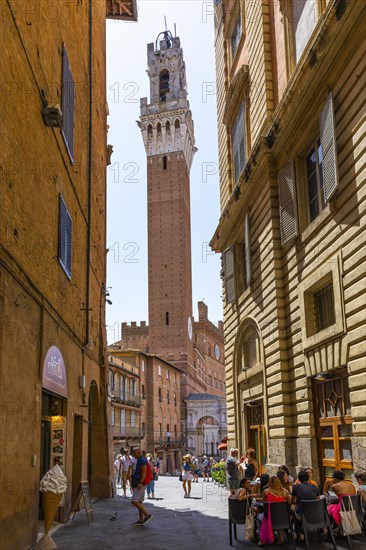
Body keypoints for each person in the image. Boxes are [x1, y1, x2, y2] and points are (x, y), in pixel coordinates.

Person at [257, 476, 291, 546]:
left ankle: (262, 540)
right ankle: (281, 537)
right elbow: (289, 503)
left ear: (269, 483)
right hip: (284, 518)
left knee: (259, 517)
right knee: (278, 514)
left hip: (271, 518)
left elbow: (264, 504)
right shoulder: (285, 492)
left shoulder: (266, 492)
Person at [292, 470, 320, 541]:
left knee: (294, 510)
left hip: (302, 514)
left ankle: (297, 534)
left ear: (299, 479)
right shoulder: (314, 486)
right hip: (314, 513)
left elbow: (293, 500)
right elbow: (318, 500)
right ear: (308, 478)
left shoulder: (296, 487)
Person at [130, 447, 153, 526]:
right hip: (142, 482)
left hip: (141, 483)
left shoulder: (142, 461)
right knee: (139, 501)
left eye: (134, 453)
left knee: (134, 501)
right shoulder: (141, 460)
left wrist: (140, 482)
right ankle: (141, 519)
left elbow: (144, 472)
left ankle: (147, 515)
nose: (133, 455)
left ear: (139, 453)